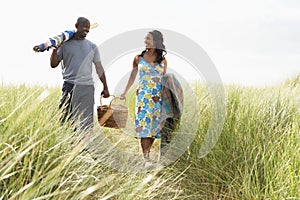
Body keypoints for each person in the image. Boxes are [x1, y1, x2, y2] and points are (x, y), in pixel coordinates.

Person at [50, 17, 110, 134]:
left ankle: (83, 148)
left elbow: (99, 68)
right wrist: (54, 49)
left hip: (87, 87)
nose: (86, 31)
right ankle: (69, 146)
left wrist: (105, 87)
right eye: (84, 28)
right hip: (70, 86)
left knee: (86, 121)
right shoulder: (65, 45)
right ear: (76, 26)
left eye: (88, 29)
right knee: (65, 118)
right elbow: (53, 64)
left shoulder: (92, 46)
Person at [120, 30, 167, 163]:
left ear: (156, 42)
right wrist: (125, 92)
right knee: (143, 126)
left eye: (149, 39)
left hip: (158, 97)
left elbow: (164, 79)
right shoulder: (138, 58)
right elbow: (132, 76)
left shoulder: (163, 60)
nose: (146, 41)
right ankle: (146, 159)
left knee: (154, 128)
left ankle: (148, 153)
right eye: (145, 38)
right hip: (143, 96)